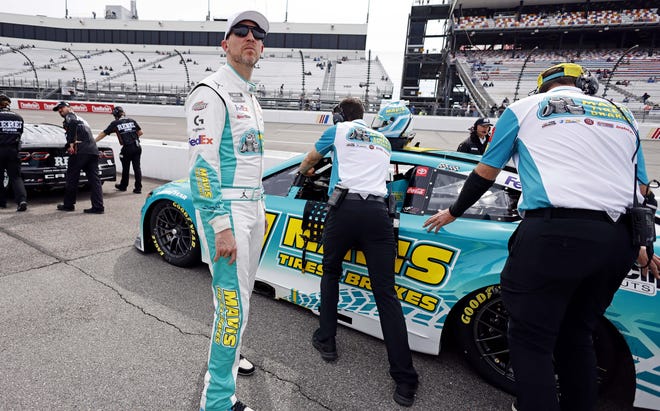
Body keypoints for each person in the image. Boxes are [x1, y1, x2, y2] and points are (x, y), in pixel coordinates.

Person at [422, 63, 660, 411]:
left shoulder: (522, 109)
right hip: (618, 240)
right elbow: (640, 188)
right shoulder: (623, 112)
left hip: (555, 234)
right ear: (583, 85)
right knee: (577, 335)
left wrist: (454, 211)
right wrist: (640, 245)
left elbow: (486, 172)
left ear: (541, 87)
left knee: (531, 341)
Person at [299, 97, 419, 407]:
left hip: (344, 209)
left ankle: (327, 341)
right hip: (379, 215)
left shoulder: (338, 131)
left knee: (331, 273)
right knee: (386, 294)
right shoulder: (382, 139)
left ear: (339, 115)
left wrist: (306, 173)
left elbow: (310, 160)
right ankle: (405, 379)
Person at [185, 9, 269, 411]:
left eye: (257, 33)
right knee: (232, 304)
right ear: (226, 43)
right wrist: (220, 225)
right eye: (241, 31)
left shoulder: (251, 94)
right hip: (230, 213)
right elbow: (202, 168)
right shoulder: (210, 90)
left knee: (243, 298)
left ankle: (230, 360)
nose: (250, 36)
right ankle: (217, 400)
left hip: (255, 207)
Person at [53, 101, 104, 214]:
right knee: (95, 180)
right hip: (93, 150)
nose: (60, 110)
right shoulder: (82, 119)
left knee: (72, 178)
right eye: (58, 110)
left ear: (69, 107)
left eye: (61, 108)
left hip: (80, 151)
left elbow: (73, 123)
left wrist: (70, 143)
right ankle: (98, 207)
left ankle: (68, 205)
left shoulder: (70, 116)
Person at [96, 106, 144, 194]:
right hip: (137, 146)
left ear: (115, 115)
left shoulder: (115, 123)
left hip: (127, 148)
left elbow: (104, 133)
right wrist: (131, 136)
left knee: (126, 168)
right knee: (137, 168)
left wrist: (94, 141)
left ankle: (123, 186)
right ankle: (138, 188)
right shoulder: (131, 120)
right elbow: (140, 132)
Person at [0, 94, 27, 212]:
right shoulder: (19, 117)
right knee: (16, 177)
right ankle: (22, 201)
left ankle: (2, 202)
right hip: (14, 150)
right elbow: (20, 134)